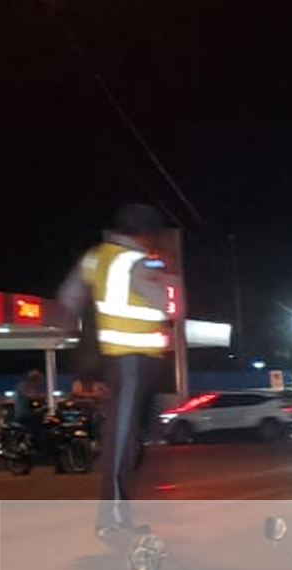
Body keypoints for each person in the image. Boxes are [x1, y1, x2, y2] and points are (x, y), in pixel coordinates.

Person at [56, 203, 179, 543]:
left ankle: (119, 516)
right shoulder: (135, 261)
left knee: (130, 439)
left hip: (122, 361)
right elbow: (168, 305)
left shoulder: (95, 258)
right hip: (132, 360)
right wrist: (164, 278)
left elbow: (68, 298)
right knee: (121, 438)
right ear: (143, 232)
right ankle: (110, 519)